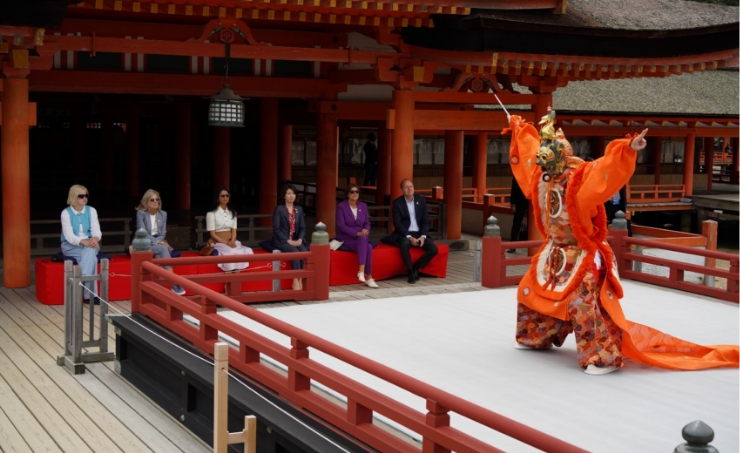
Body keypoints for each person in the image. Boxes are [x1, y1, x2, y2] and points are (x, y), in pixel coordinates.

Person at [505, 109, 738, 374]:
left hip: (582, 252)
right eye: (542, 156)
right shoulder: (540, 177)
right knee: (530, 292)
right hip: (555, 250)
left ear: (562, 157)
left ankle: (602, 357)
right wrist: (518, 128)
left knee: (584, 305)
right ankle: (535, 337)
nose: (541, 160)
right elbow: (527, 151)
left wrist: (627, 148)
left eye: (548, 156)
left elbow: (603, 169)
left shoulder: (578, 178)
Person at [382, 179, 438, 284]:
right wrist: (409, 237)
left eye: (411, 186)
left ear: (414, 188)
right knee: (404, 244)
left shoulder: (420, 200)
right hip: (404, 233)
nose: (409, 189)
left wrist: (423, 236)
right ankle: (410, 271)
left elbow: (426, 220)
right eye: (406, 187)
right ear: (402, 189)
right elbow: (397, 223)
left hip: (418, 233)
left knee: (433, 248)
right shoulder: (397, 203)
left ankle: (416, 267)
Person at [136, 189, 186, 295]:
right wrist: (158, 242)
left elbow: (163, 233)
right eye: (152, 199)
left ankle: (171, 285)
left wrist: (160, 241)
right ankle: (174, 283)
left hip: (159, 242)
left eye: (157, 199)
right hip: (144, 242)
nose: (155, 201)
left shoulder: (163, 214)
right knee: (163, 248)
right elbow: (143, 233)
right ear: (146, 202)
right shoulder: (141, 213)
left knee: (159, 256)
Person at [61, 184, 102, 304]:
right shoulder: (66, 213)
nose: (84, 198)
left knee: (90, 250)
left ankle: (80, 279)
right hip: (71, 245)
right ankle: (90, 296)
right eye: (81, 196)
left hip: (90, 243)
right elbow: (69, 236)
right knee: (92, 258)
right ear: (74, 197)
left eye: (86, 195)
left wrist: (95, 238)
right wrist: (84, 242)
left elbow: (96, 230)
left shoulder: (92, 210)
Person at [336, 184, 379, 288]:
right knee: (367, 246)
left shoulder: (363, 206)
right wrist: (356, 233)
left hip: (361, 236)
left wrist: (366, 230)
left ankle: (362, 273)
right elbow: (341, 225)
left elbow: (367, 223)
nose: (355, 194)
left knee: (365, 241)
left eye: (357, 192)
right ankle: (367, 276)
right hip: (347, 236)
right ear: (347, 194)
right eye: (352, 192)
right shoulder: (341, 206)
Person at [205, 187, 254, 273]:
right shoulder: (211, 214)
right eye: (222, 196)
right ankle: (228, 279)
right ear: (217, 198)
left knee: (245, 251)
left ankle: (236, 277)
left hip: (230, 239)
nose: (225, 198)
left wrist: (232, 241)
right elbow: (212, 234)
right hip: (217, 240)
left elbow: (234, 230)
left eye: (227, 195)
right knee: (231, 252)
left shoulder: (233, 213)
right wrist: (226, 243)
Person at [272, 183, 308, 290]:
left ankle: (301, 278)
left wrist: (300, 239)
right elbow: (276, 229)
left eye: (293, 193)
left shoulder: (299, 209)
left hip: (296, 239)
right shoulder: (279, 209)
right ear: (284, 196)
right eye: (289, 193)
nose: (291, 196)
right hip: (282, 240)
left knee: (305, 253)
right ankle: (295, 280)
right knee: (295, 253)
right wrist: (288, 241)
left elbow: (303, 227)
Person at [507, 177, 527, 253]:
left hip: (531, 200)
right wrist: (512, 203)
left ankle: (534, 246)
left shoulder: (532, 171)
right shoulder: (517, 173)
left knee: (533, 225)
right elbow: (513, 188)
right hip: (519, 200)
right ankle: (512, 246)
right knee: (516, 224)